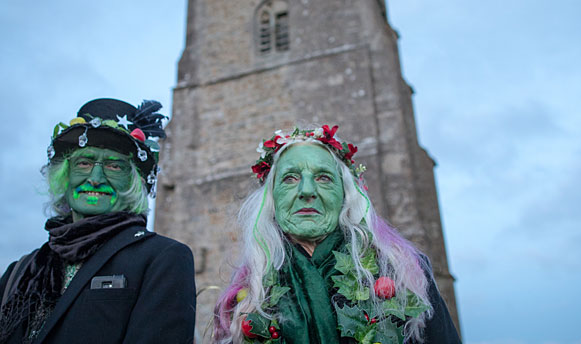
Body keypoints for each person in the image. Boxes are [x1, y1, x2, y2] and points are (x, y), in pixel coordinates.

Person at [212, 125, 461, 344]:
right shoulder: (246, 294)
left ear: (345, 195)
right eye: (290, 178)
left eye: (323, 177)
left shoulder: (404, 270)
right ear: (271, 199)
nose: (307, 190)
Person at [0, 98, 196, 344]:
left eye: (114, 166)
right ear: (65, 175)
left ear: (132, 183)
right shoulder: (20, 271)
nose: (95, 178)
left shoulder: (162, 258)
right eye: (84, 162)